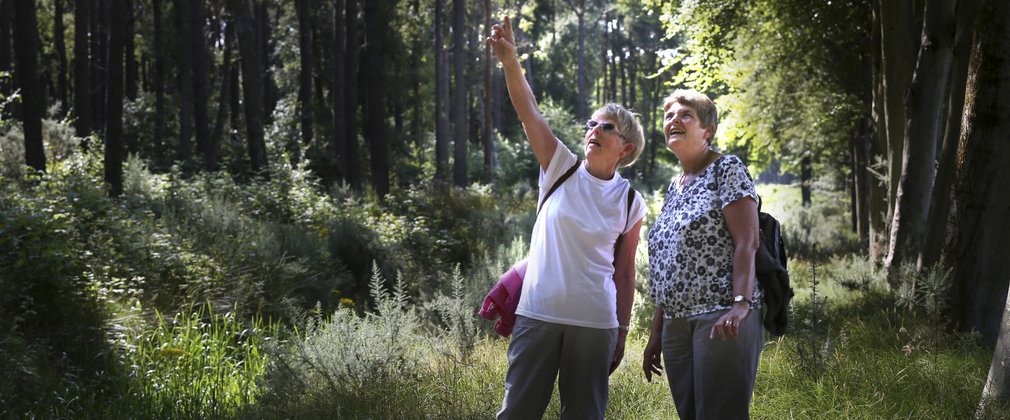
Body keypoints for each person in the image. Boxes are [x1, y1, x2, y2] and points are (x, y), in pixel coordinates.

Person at [486, 16, 647, 420]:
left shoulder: (630, 202)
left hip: (595, 324)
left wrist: (623, 332)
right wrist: (510, 62)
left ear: (625, 148)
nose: (593, 129)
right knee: (518, 411)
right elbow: (529, 113)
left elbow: (625, 274)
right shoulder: (559, 166)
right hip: (538, 313)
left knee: (584, 414)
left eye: (605, 127)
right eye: (591, 123)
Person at [642, 89, 763, 420]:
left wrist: (741, 305)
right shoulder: (675, 185)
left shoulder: (727, 168)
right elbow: (669, 263)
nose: (674, 121)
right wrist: (657, 332)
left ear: (707, 130)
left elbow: (747, 241)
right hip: (676, 325)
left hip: (720, 317)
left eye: (685, 115)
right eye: (669, 116)